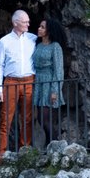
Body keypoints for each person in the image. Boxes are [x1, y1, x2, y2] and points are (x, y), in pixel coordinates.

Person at [0, 10, 37, 156]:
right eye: (25, 22)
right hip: (11, 82)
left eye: (28, 21)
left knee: (27, 119)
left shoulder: (33, 39)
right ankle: (1, 154)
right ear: (15, 23)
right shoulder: (4, 41)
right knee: (6, 119)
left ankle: (25, 152)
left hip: (29, 81)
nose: (28, 24)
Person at [31, 17, 68, 147]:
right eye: (39, 26)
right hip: (38, 83)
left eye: (42, 27)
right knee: (40, 119)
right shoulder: (38, 45)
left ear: (49, 30)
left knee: (45, 119)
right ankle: (50, 145)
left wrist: (55, 90)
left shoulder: (55, 47)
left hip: (49, 83)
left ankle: (55, 144)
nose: (39, 29)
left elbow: (58, 70)